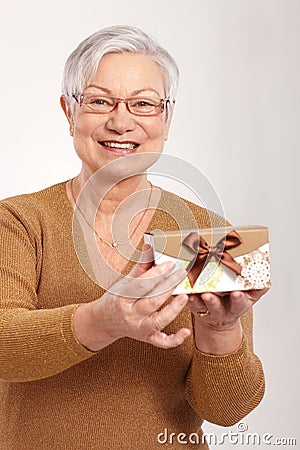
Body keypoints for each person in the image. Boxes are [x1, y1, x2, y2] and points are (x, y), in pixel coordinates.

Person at [0, 25, 267, 449]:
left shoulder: (207, 233)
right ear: (69, 112)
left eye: (143, 104)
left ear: (167, 117)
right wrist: (102, 321)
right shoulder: (18, 220)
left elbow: (227, 410)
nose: (121, 122)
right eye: (100, 100)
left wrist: (220, 329)